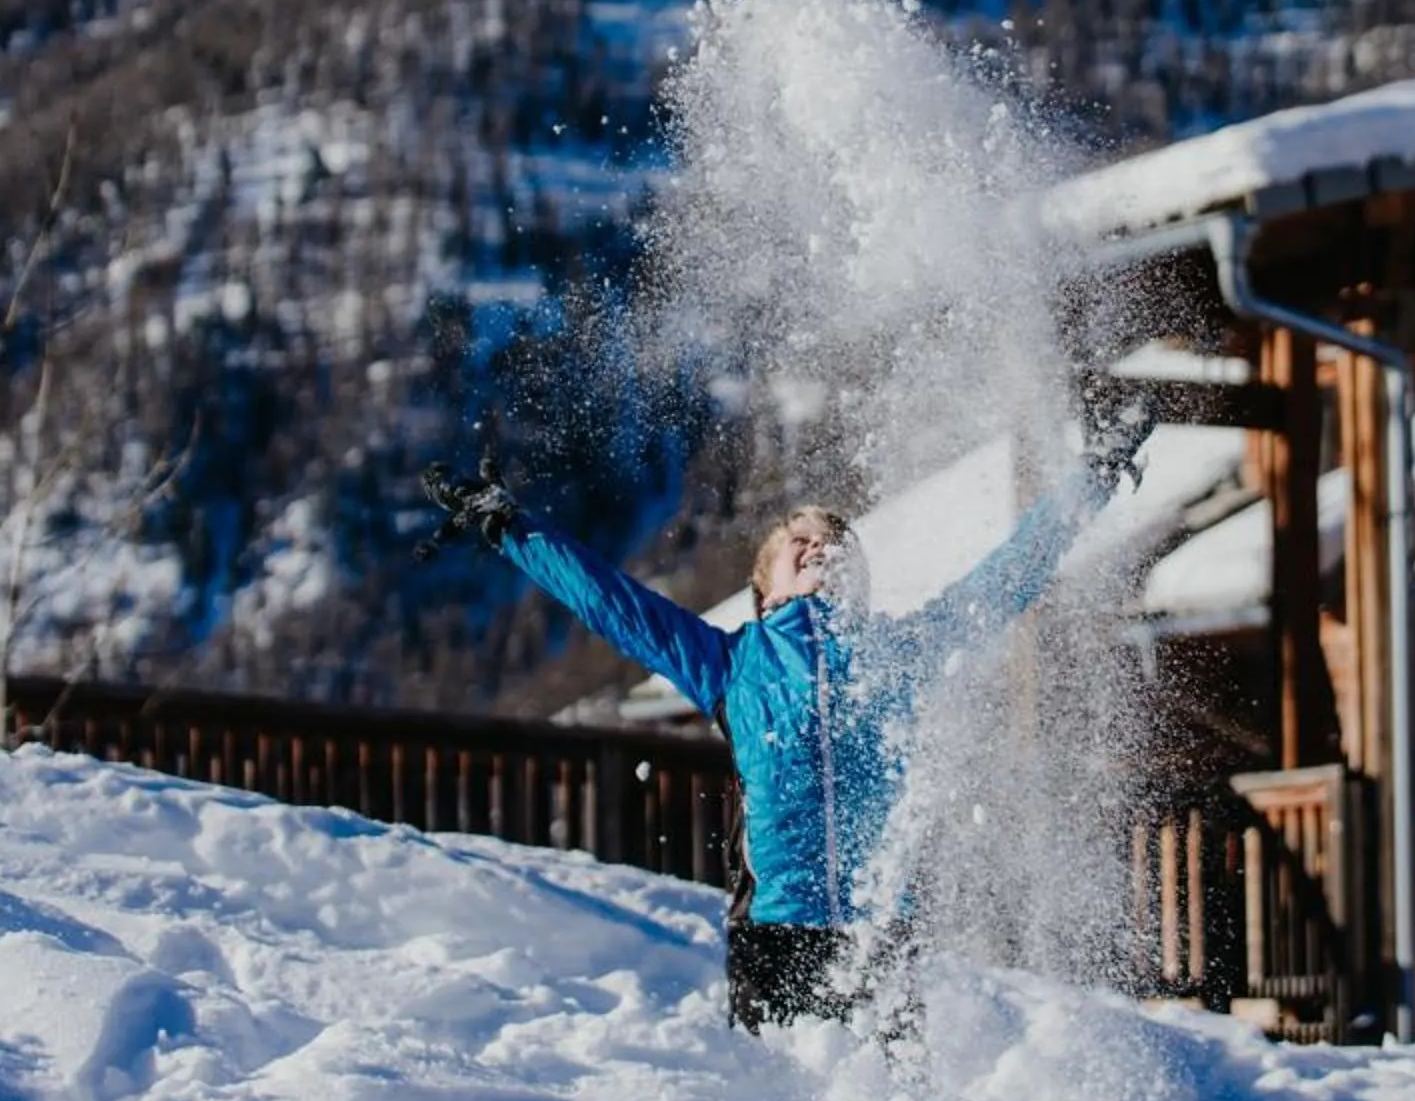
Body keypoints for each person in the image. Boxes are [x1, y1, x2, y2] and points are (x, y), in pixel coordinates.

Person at [421, 405, 1150, 1035]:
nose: (820, 543)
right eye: (798, 541)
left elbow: (1007, 577)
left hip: (879, 936)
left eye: (836, 540)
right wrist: (510, 528)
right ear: (764, 588)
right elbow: (610, 600)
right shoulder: (732, 665)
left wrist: (1096, 476)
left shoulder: (903, 651)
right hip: (776, 934)